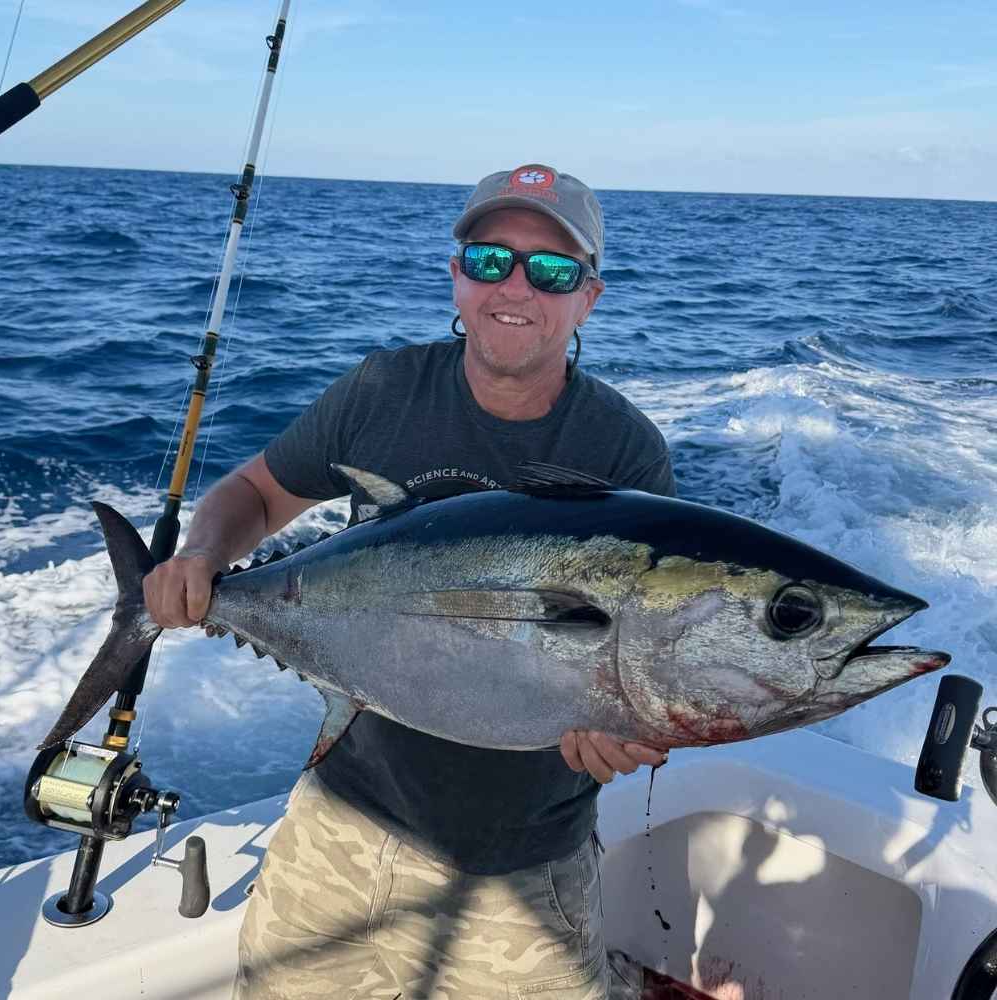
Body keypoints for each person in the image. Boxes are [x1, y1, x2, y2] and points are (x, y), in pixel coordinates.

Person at [144, 164, 678, 999]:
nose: (515, 286)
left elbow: (640, 647)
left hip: (520, 867)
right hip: (338, 830)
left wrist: (626, 726)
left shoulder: (624, 452)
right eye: (489, 259)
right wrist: (203, 556)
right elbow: (252, 493)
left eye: (551, 270)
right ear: (456, 273)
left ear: (589, 299)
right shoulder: (384, 388)